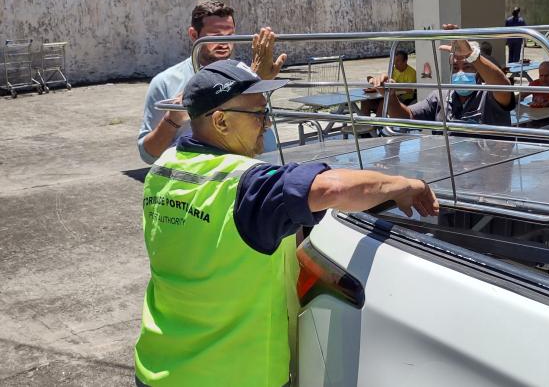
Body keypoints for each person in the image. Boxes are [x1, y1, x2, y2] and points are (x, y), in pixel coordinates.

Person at [134, 59, 438, 386]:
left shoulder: (163, 168)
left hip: (157, 365)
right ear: (220, 121)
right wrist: (405, 186)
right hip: (230, 375)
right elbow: (333, 187)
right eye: (258, 114)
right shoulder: (245, 187)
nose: (267, 123)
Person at [137, 1, 286, 164]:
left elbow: (261, 131)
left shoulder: (246, 71)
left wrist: (255, 80)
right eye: (215, 36)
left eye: (230, 36)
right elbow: (148, 154)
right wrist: (172, 119)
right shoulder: (166, 82)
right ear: (194, 35)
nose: (224, 43)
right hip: (203, 175)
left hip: (256, 167)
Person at [369, 25, 516, 126]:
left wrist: (472, 55)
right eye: (455, 68)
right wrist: (390, 96)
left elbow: (504, 88)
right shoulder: (440, 97)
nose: (460, 73)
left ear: (478, 72)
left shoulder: (489, 95)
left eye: (467, 67)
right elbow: (406, 117)